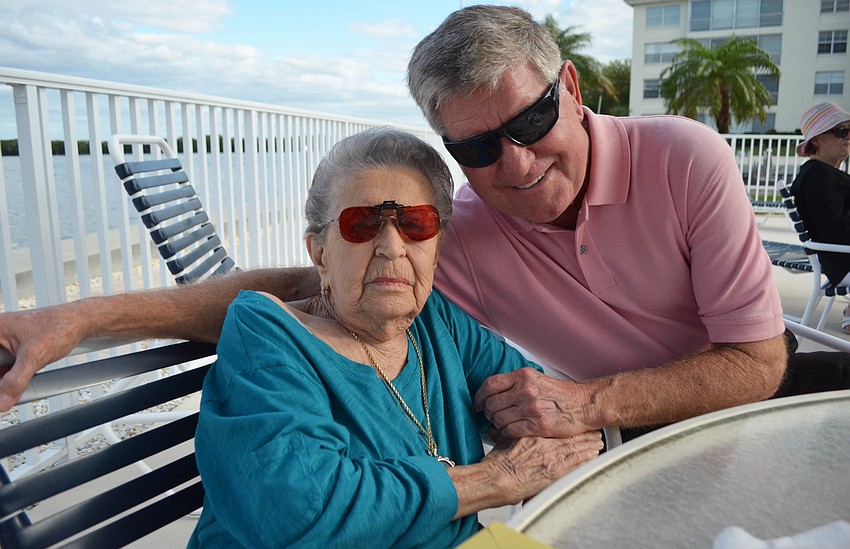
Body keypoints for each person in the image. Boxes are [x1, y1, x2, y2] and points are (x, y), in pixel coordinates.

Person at [0, 6, 788, 440]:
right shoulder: (461, 232)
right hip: (619, 452)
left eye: (530, 119)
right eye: (477, 148)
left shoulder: (685, 159)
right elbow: (310, 284)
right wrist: (83, 316)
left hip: (736, 426)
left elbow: (759, 362)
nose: (516, 163)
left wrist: (587, 402)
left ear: (572, 89)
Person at [187, 128, 602, 548]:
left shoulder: (434, 321)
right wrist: (496, 478)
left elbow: (541, 406)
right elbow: (301, 511)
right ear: (320, 254)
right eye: (361, 224)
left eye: (416, 224)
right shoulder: (267, 333)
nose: (391, 246)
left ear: (436, 250)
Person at [787, 102, 850, 333]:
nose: (848, 136)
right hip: (843, 261)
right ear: (817, 140)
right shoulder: (817, 177)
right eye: (841, 131)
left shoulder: (824, 173)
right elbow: (836, 230)